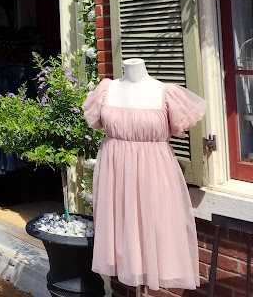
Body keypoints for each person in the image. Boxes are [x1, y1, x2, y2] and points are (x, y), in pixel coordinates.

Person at [83, 58, 206, 290]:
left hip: (154, 176)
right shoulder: (106, 90)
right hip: (115, 178)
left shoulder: (166, 93)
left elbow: (182, 125)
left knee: (154, 236)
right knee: (124, 235)